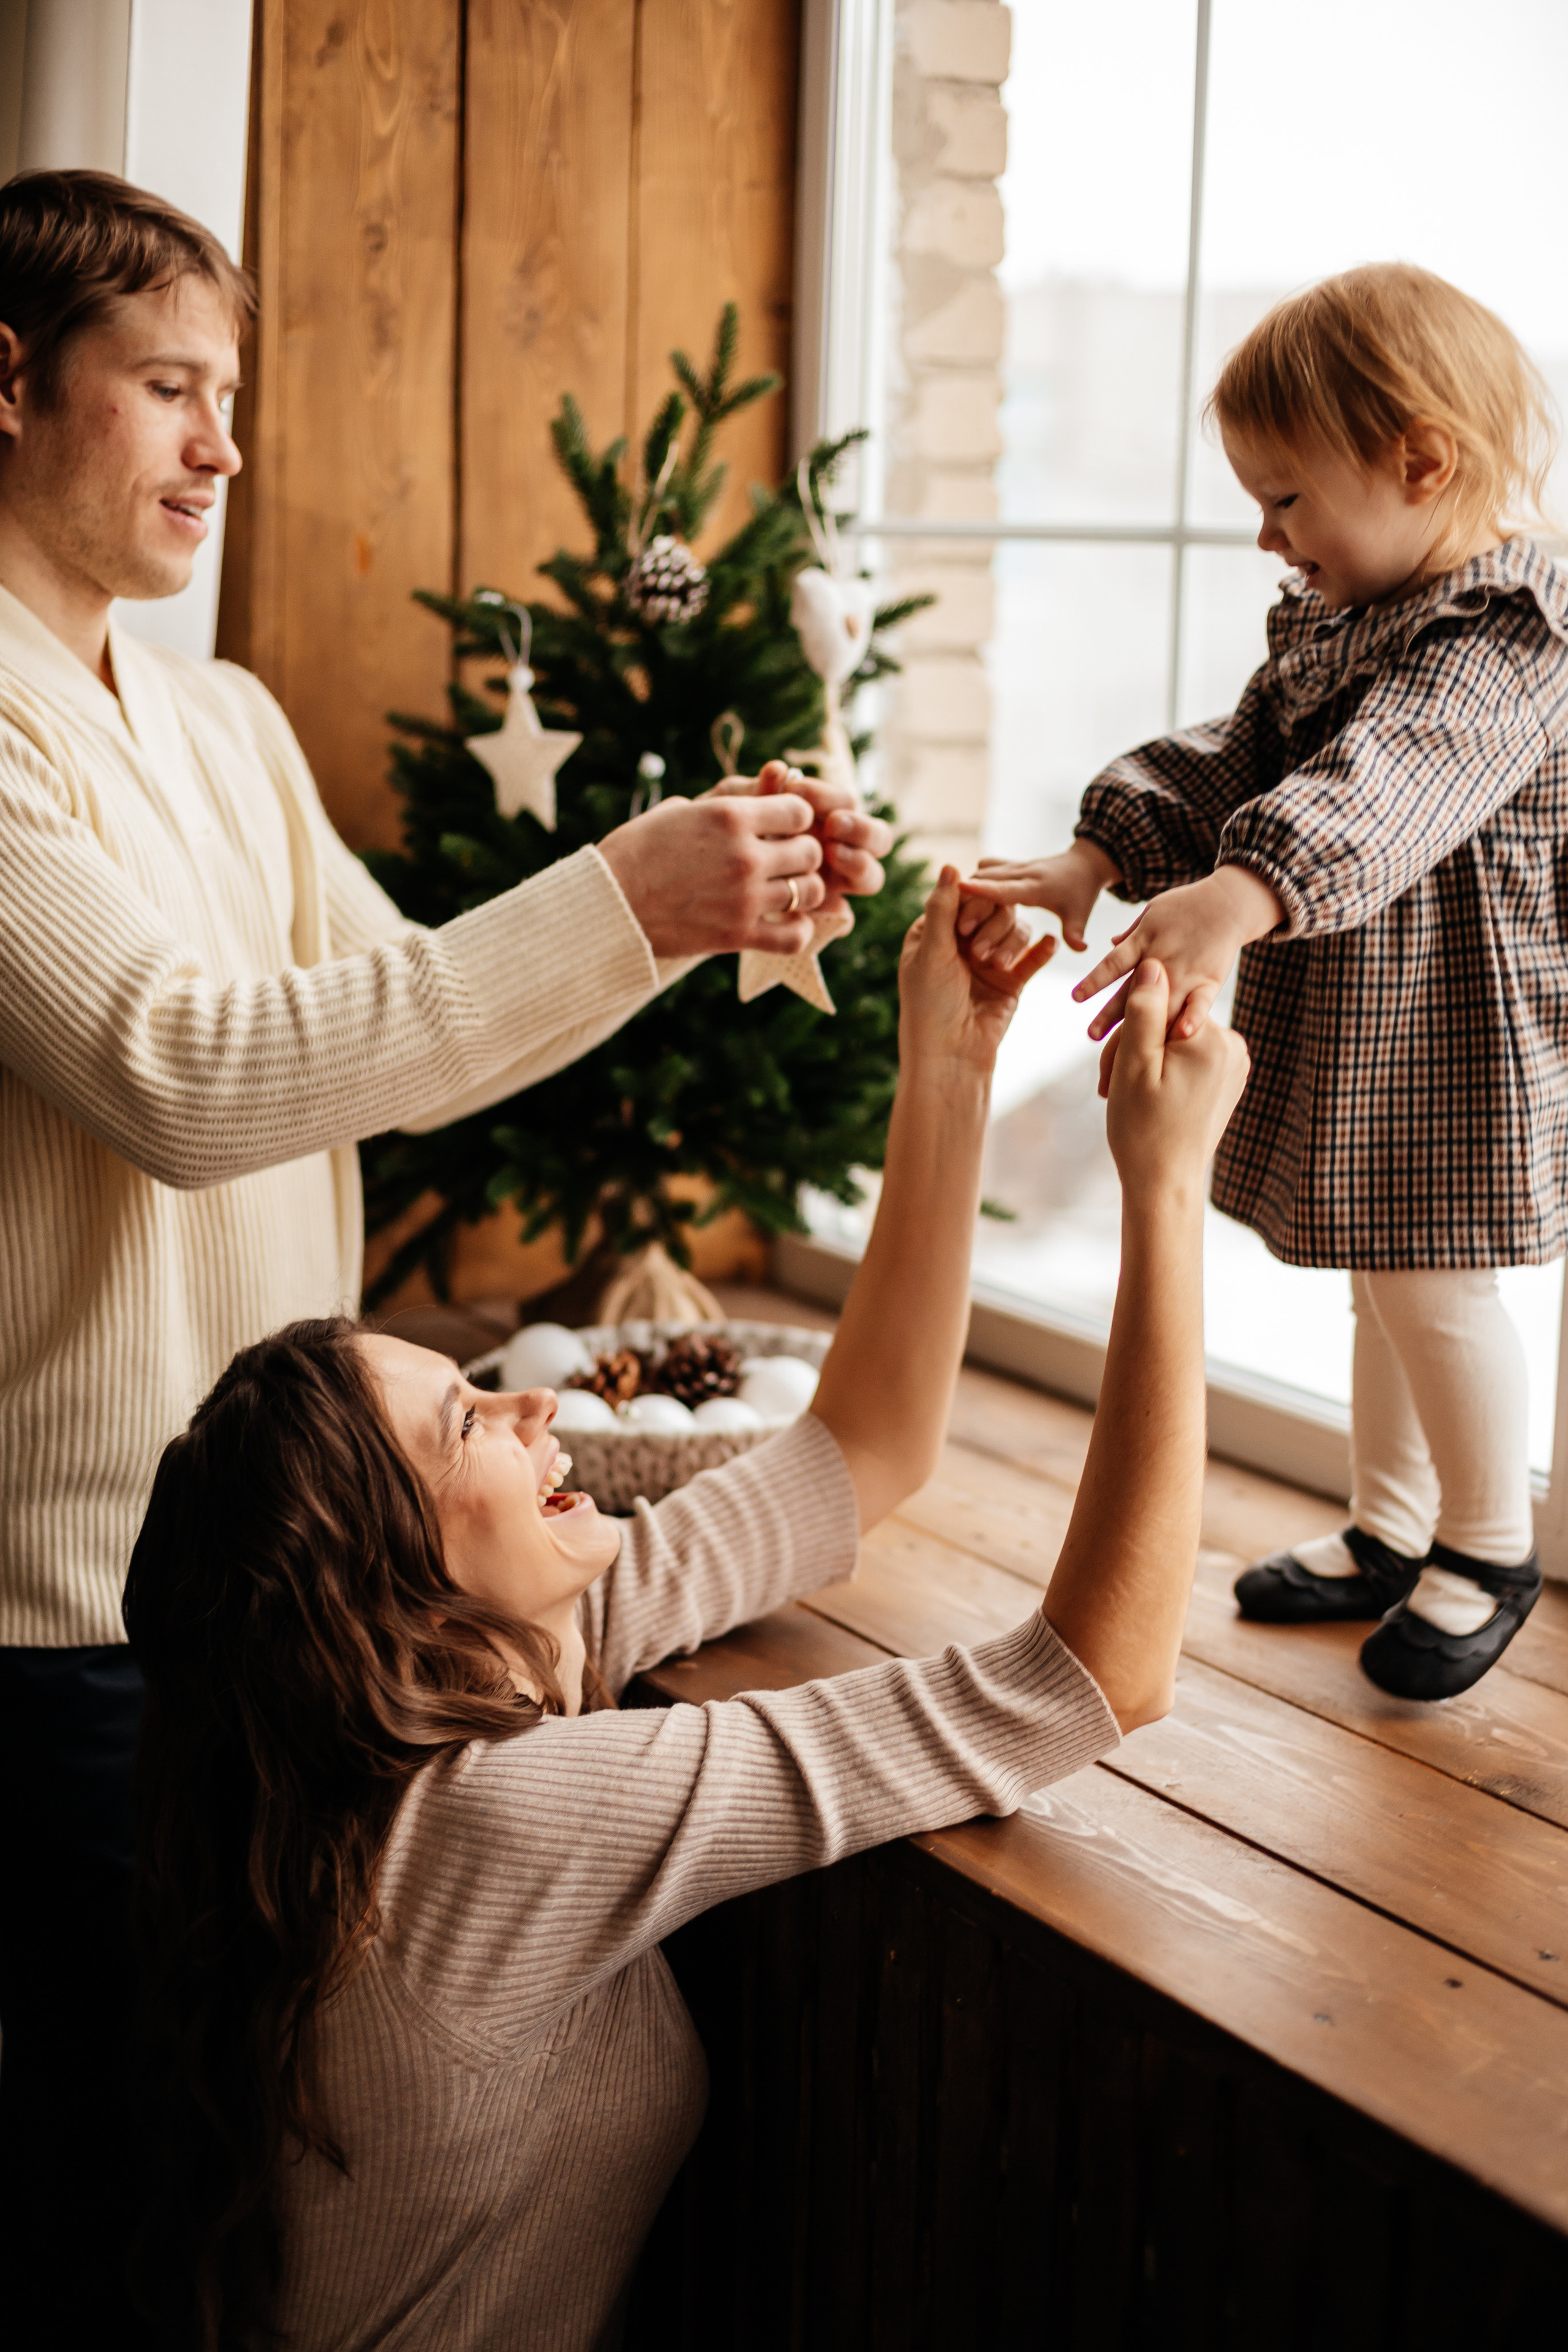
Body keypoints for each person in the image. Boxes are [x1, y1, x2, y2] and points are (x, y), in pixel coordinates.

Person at [0, 167, 895, 2346]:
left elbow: (400, 1035)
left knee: (250, 2215)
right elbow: (189, 1076)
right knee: (115, 2225)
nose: (226, 445)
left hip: (290, 1587)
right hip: (64, 1640)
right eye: (169, 391)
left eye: (238, 395)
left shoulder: (211, 721)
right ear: (6, 385)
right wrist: (630, 891)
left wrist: (697, 925)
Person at [123, 876, 1247, 2350]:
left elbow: (862, 1447)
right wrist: (1165, 1195)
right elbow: (1089, 1678)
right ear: (387, 1596)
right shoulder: (492, 1824)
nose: (534, 1403)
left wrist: (951, 1061)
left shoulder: (469, 1687)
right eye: (466, 1422)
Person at [962, 263, 1567, 1705]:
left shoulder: (1504, 636)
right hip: (1370, 1022)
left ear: (1418, 462)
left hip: (1456, 1032)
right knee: (1375, 1280)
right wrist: (1091, 852)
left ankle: (1488, 1546)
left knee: (1429, 1286)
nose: (1262, 535)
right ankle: (1389, 1524)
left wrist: (1238, 894)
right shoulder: (1337, 625)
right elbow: (1229, 759)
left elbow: (1395, 780)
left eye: (1286, 499)